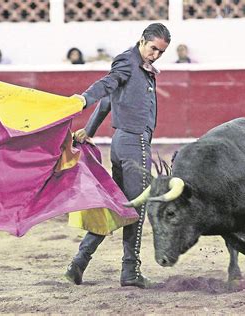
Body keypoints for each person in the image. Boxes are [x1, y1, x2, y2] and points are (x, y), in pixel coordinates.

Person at [65, 23, 171, 289]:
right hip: (134, 142)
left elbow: (108, 101)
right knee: (137, 207)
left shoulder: (140, 67)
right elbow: (105, 86)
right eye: (153, 48)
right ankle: (130, 271)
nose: (156, 55)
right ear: (141, 41)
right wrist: (83, 99)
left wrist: (88, 130)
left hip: (122, 143)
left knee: (118, 205)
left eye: (160, 52)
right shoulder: (127, 61)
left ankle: (78, 263)